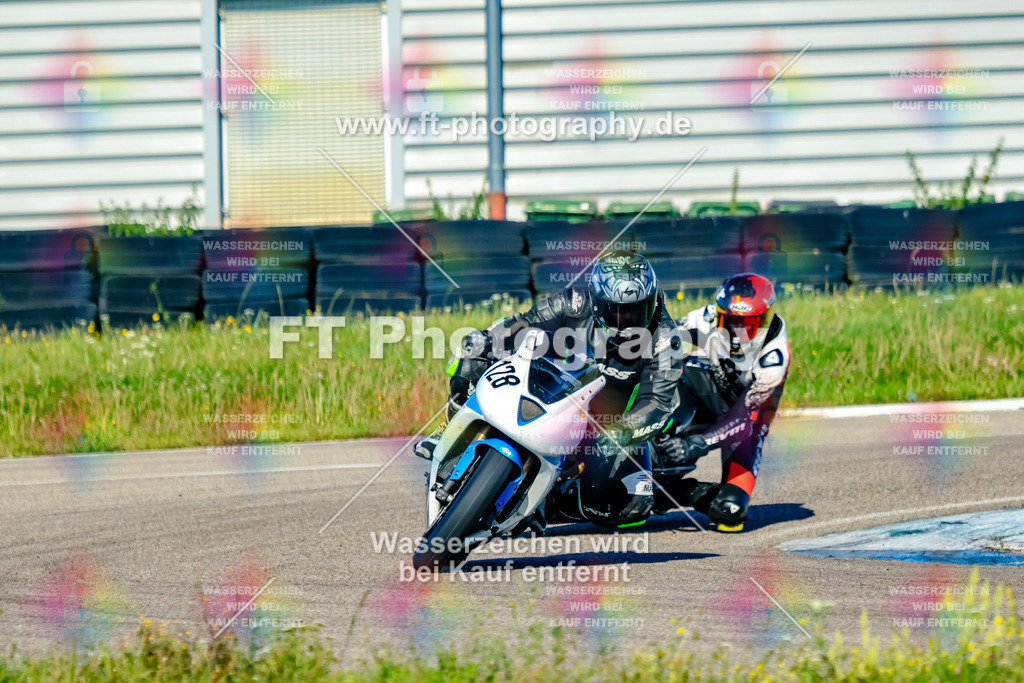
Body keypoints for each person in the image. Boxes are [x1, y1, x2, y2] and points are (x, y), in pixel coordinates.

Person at [416, 250, 684, 528]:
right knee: (473, 351)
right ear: (596, 302)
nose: (625, 321)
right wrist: (487, 339)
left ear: (652, 301)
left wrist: (623, 431)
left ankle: (543, 505)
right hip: (545, 388)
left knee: (627, 506)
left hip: (602, 424)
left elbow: (658, 404)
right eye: (615, 311)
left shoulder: (665, 339)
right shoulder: (575, 302)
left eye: (634, 310)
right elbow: (522, 323)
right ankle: (449, 430)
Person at [655, 273, 791, 532]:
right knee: (680, 363)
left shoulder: (773, 356)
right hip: (704, 398)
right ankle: (653, 443)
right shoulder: (704, 318)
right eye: (729, 322)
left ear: (765, 321)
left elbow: (743, 421)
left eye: (746, 325)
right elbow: (660, 337)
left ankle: (680, 493)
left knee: (730, 511)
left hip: (745, 426)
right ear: (718, 314)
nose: (736, 333)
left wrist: (694, 446)